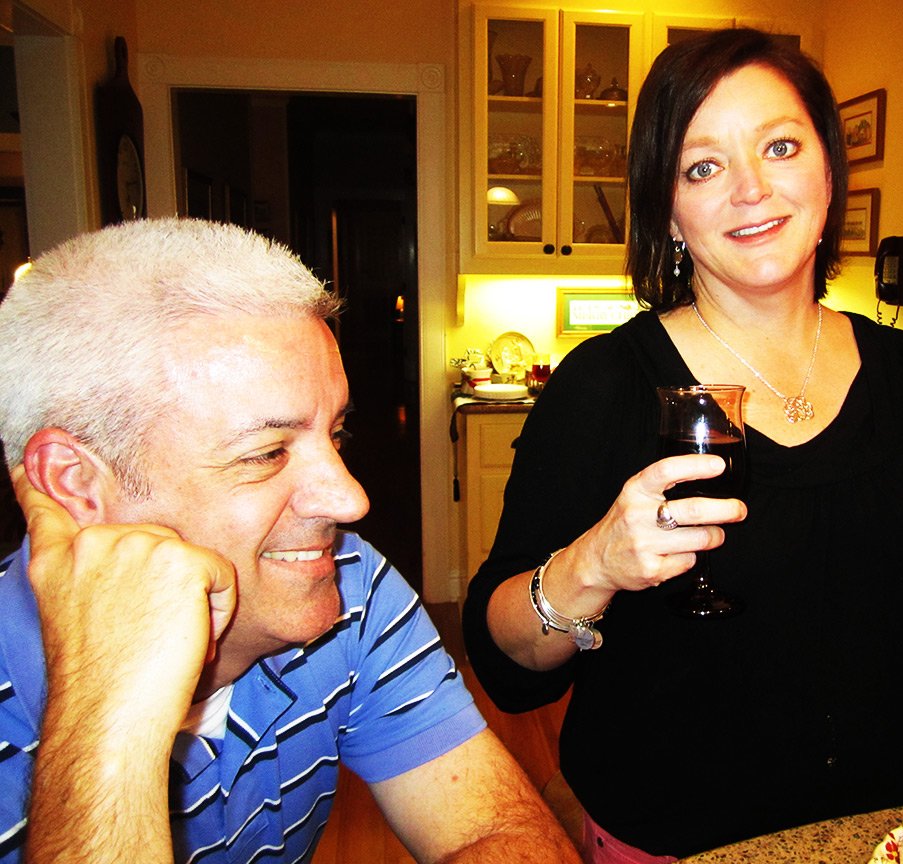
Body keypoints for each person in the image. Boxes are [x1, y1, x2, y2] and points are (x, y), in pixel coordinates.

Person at [463, 28, 903, 862]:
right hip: (675, 840)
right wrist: (594, 564)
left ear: (828, 172)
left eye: (780, 147)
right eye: (703, 167)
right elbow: (503, 661)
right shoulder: (605, 383)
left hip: (891, 831)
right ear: (666, 209)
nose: (751, 189)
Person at [0, 219, 579, 864]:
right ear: (75, 483)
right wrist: (103, 719)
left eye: (336, 434)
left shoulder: (349, 583)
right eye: (266, 453)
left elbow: (497, 834)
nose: (351, 500)